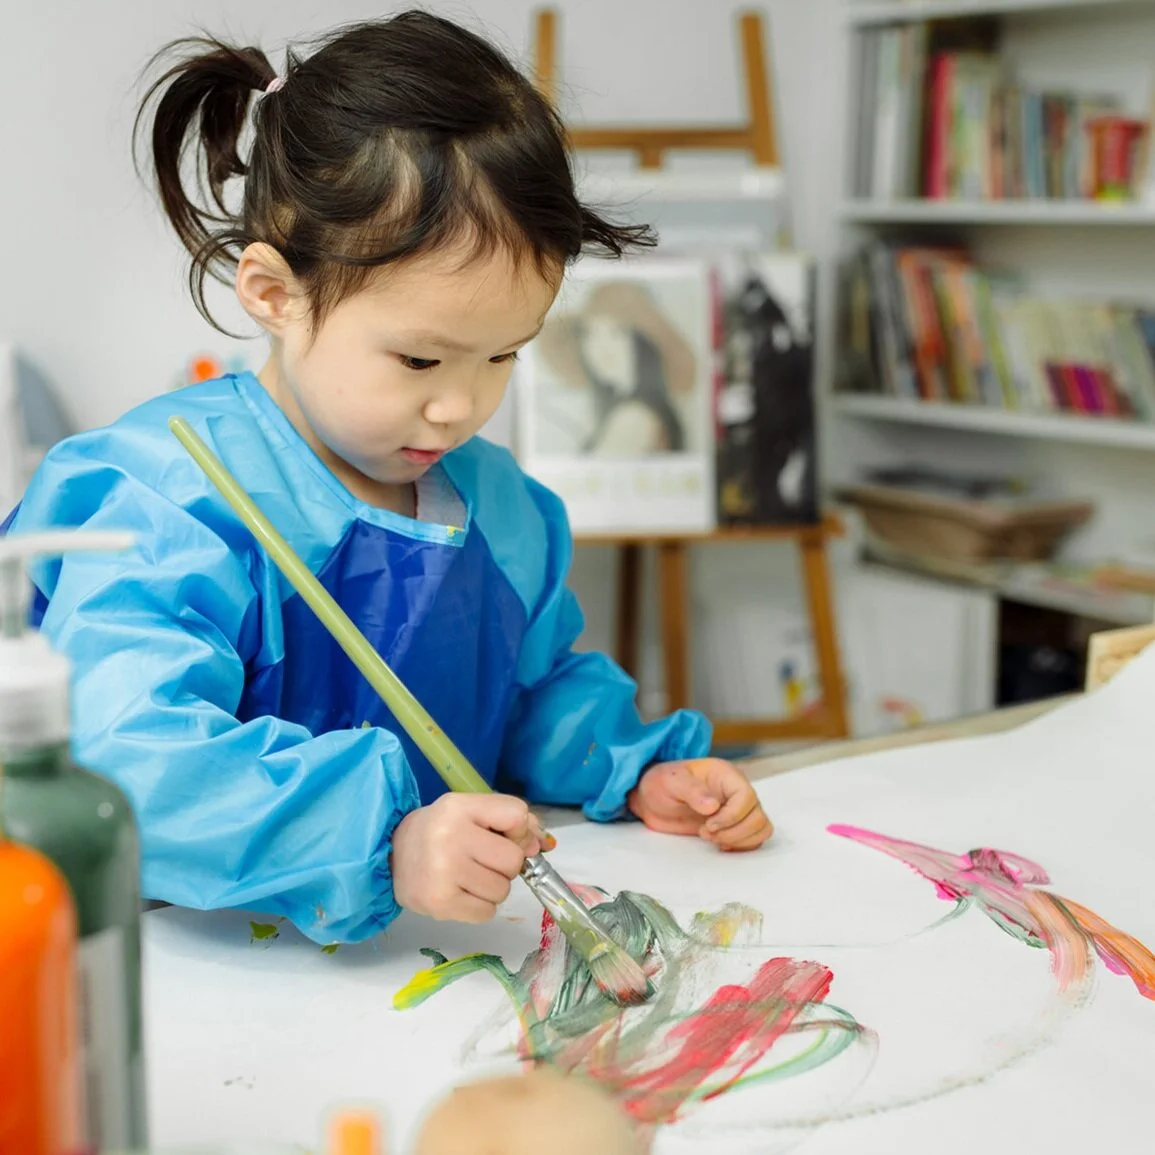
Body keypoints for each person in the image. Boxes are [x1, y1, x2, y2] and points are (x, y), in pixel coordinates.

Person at [3, 12, 773, 946]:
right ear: (274, 294)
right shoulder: (167, 497)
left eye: (503, 355)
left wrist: (634, 768)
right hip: (186, 967)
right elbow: (129, 759)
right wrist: (382, 836)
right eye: (419, 360)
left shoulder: (499, 508)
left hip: (409, 972)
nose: (460, 407)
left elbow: (529, 695)